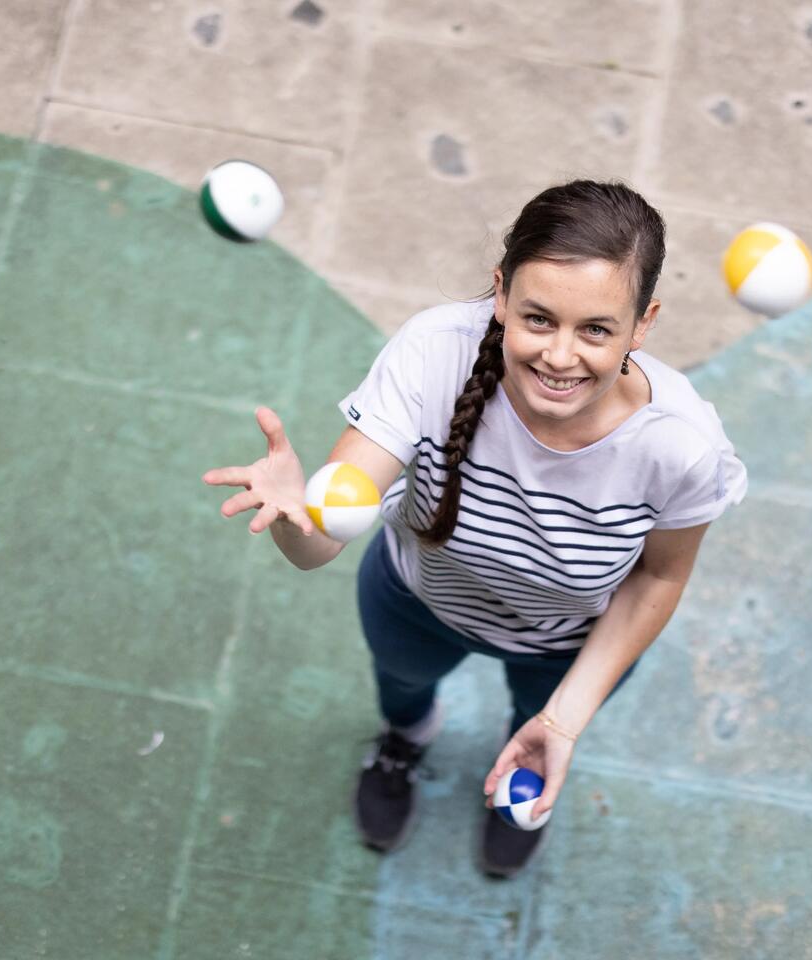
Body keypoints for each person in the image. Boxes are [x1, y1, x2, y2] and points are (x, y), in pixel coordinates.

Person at [201, 180, 747, 878]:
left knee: (535, 715)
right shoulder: (436, 354)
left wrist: (560, 722)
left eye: (597, 329)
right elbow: (322, 540)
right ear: (500, 293)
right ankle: (405, 740)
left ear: (644, 324)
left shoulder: (682, 446)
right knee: (402, 690)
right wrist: (293, 517)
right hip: (417, 603)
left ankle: (523, 757)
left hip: (566, 644)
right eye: (539, 318)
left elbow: (661, 576)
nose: (559, 356)